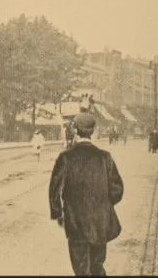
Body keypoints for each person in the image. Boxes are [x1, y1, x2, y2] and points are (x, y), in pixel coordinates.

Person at [49, 113, 124, 276]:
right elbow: (117, 189)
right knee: (98, 266)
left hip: (75, 222)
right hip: (100, 222)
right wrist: (103, 204)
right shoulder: (105, 157)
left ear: (75, 131)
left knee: (81, 269)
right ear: (93, 131)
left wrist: (58, 213)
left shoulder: (65, 157)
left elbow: (54, 189)